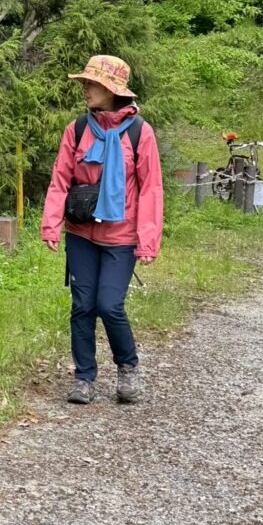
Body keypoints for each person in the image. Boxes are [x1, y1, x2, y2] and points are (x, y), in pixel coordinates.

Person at [41, 55, 164, 405]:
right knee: (82, 306)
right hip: (81, 233)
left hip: (121, 237)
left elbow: (151, 189)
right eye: (84, 83)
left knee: (109, 305)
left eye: (91, 84)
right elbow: (60, 180)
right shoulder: (78, 129)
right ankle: (84, 378)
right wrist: (51, 224)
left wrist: (148, 240)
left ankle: (128, 368)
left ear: (111, 90)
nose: (85, 89)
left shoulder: (140, 132)